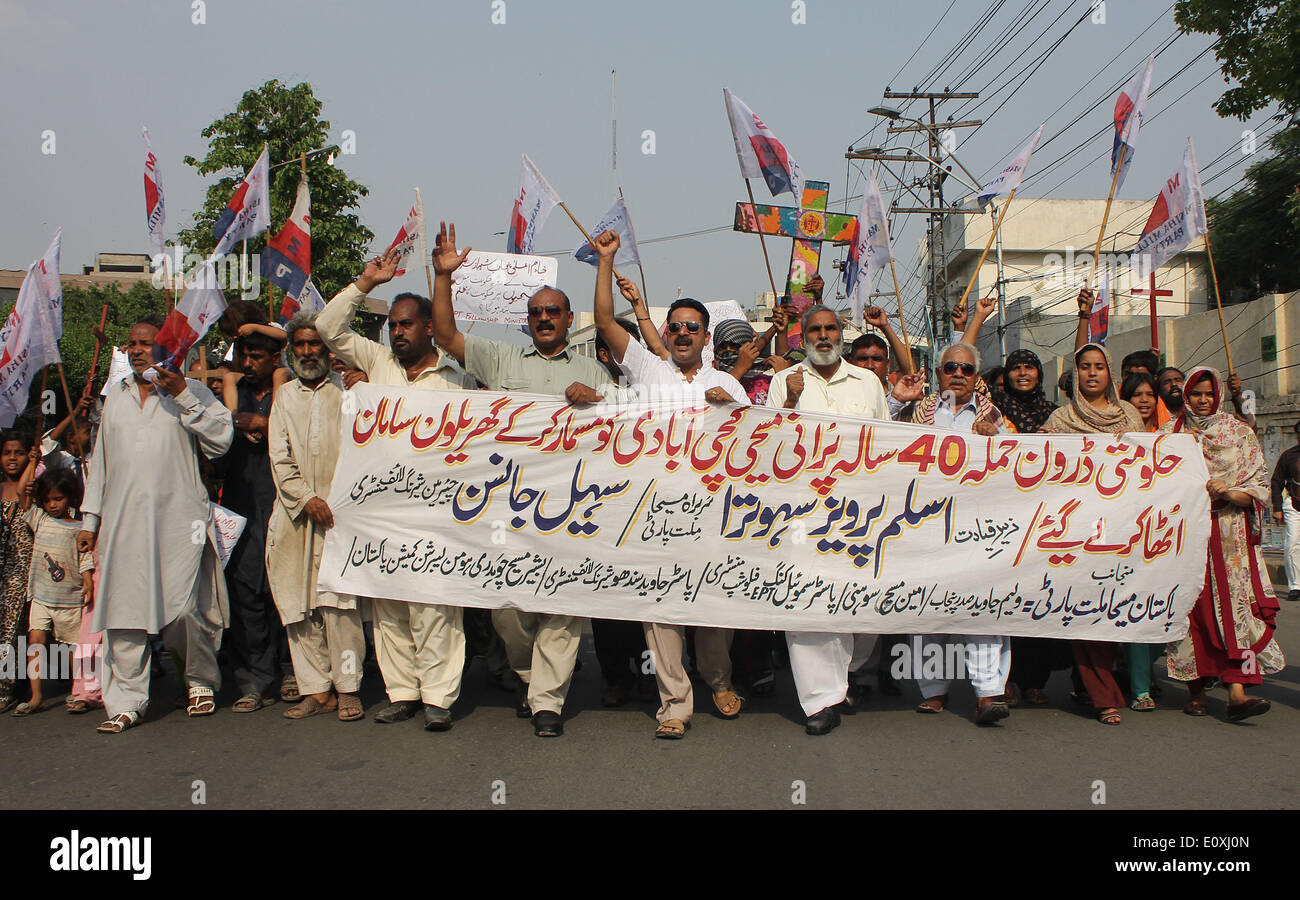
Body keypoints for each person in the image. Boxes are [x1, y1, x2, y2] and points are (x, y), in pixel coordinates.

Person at [429, 221, 611, 738]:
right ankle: (531, 675)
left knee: (562, 606)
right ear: (527, 322)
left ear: (568, 318)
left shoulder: (594, 373)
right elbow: (444, 336)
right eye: (536, 313)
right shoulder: (502, 356)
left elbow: (624, 425)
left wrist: (598, 401)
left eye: (554, 312)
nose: (545, 319)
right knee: (509, 611)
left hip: (570, 510)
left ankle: (548, 702)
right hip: (507, 506)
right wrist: (444, 277)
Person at [589, 228, 745, 740]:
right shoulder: (646, 369)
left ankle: (719, 680)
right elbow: (607, 321)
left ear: (705, 337)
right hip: (653, 512)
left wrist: (733, 410)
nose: (681, 334)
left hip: (712, 512)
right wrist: (606, 261)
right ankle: (675, 703)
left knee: (712, 605)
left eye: (692, 328)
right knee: (661, 611)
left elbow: (755, 449)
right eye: (675, 326)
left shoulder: (727, 385)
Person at [316, 248, 475, 733]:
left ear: (429, 327)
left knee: (434, 606)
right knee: (388, 605)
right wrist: (365, 283)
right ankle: (402, 691)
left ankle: (439, 698)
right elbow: (327, 330)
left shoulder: (457, 379)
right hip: (379, 509)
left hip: (434, 512)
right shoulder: (377, 361)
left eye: (407, 324)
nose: (397, 332)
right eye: (393, 326)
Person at [79, 317, 234, 734]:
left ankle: (200, 681)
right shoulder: (116, 397)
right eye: (130, 343)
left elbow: (221, 440)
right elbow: (100, 465)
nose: (136, 350)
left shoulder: (191, 392)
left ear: (164, 348)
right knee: (124, 614)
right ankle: (128, 699)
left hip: (178, 524)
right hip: (123, 525)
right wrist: (90, 520)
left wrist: (183, 395)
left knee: (185, 610)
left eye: (144, 343)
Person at [768, 305, 890, 734]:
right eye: (814, 329)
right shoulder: (784, 381)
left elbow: (888, 443)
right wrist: (789, 402)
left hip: (858, 509)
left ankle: (843, 677)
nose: (823, 336)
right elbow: (768, 448)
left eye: (830, 329)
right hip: (802, 510)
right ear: (802, 337)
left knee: (859, 599)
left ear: (841, 334)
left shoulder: (868, 381)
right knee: (805, 601)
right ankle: (820, 702)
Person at [889, 343, 1013, 725]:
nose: (958, 374)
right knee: (926, 606)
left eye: (966, 369)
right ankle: (934, 690)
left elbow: (1023, 464)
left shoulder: (997, 419)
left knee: (985, 607)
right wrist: (896, 401)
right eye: (950, 367)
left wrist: (998, 442)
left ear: (977, 376)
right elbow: (880, 437)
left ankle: (988, 692)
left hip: (978, 526)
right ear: (939, 372)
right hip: (923, 523)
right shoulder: (918, 413)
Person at [1164, 367, 1284, 720]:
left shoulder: (1240, 434)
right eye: (1196, 393)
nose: (1203, 401)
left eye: (1209, 394)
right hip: (1184, 537)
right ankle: (1196, 692)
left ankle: (1237, 691)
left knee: (1237, 611)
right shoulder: (1170, 435)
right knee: (1193, 610)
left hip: (1231, 538)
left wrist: (1230, 492)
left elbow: (1259, 485)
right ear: (1185, 394)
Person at [266, 312, 366, 722]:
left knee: (339, 607)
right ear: (292, 351)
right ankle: (315, 689)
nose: (308, 353)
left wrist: (333, 501)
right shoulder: (284, 396)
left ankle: (349, 689)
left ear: (329, 350)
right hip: (294, 516)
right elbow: (279, 456)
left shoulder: (350, 392)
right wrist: (306, 498)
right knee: (297, 607)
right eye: (300, 345)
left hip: (339, 517)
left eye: (316, 345)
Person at [1042, 343, 1143, 725]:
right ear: (1076, 374)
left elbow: (1148, 467)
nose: (1092, 373)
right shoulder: (1060, 419)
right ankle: (1104, 697)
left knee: (1114, 611)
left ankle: (1086, 682)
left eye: (1099, 366)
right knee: (1085, 614)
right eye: (1085, 367)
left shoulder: (1130, 417)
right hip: (1076, 532)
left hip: (1122, 529)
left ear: (1110, 372)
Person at [213, 330, 294, 712]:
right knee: (246, 591)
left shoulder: (290, 392)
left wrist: (261, 423)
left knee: (285, 590)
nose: (249, 363)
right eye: (245, 355)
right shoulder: (230, 396)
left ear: (275, 359)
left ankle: (291, 670)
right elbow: (218, 445)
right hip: (242, 506)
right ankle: (253, 680)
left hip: (283, 504)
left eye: (258, 355)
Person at [989, 348, 1066, 706]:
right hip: (1004, 517)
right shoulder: (993, 409)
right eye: (1016, 368)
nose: (1023, 374)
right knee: (1006, 603)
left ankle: (1035, 680)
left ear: (1039, 375)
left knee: (1040, 600)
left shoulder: (1055, 414)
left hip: (1045, 519)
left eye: (1029, 368)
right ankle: (1005, 680)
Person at [11, 461, 93, 716]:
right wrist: (33, 461)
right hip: (41, 596)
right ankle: (37, 696)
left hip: (69, 598)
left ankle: (78, 690)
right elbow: (21, 491)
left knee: (71, 648)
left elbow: (85, 557)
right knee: (35, 640)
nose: (52, 504)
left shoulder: (80, 527)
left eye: (58, 498)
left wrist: (88, 580)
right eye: (47, 500)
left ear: (70, 497)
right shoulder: (40, 519)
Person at [0, 430, 36, 713]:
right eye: (7, 453)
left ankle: (8, 687)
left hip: (20, 569)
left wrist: (35, 462)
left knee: (13, 630)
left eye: (19, 452)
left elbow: (24, 494)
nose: (12, 458)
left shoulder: (33, 488)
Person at [1270, 421, 1300, 603]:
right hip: (1294, 504)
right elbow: (1276, 482)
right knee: (1292, 544)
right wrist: (1277, 508)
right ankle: (1295, 585)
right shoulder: (1289, 456)